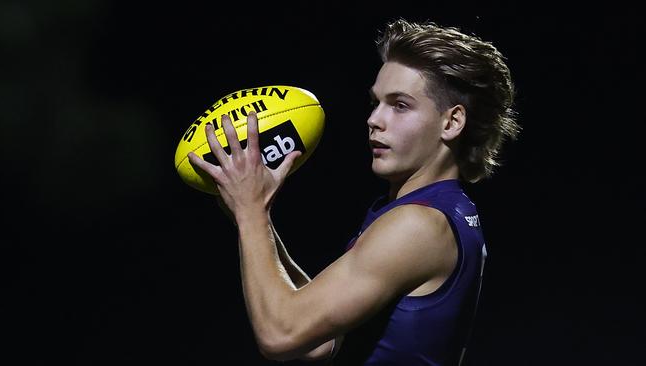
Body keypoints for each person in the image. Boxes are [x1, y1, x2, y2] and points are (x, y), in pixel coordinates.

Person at [187, 17, 520, 366]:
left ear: (451, 122)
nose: (374, 119)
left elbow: (280, 334)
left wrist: (251, 211)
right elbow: (318, 339)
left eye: (400, 105)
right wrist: (254, 214)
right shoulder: (428, 210)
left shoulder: (418, 225)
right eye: (376, 102)